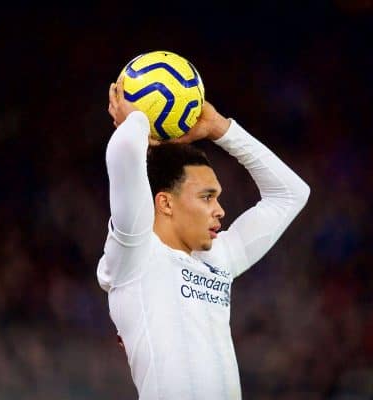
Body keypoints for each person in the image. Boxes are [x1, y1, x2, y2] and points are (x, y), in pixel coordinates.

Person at [97, 76, 310, 399]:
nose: (221, 210)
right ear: (165, 203)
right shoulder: (135, 254)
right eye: (207, 197)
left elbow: (291, 194)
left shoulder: (219, 258)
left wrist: (221, 130)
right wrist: (139, 117)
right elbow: (125, 149)